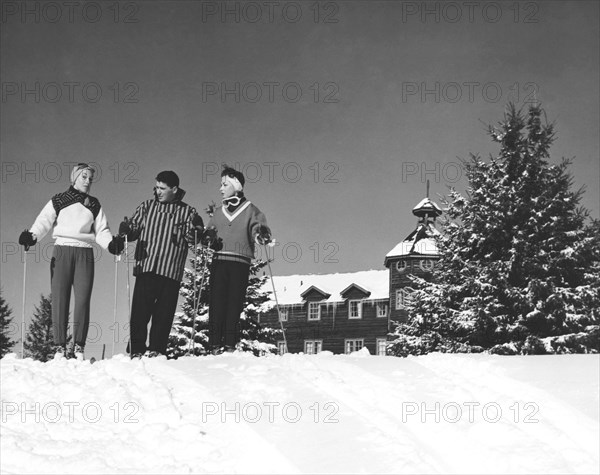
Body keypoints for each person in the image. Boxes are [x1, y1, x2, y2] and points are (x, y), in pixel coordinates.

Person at [19, 163, 123, 359]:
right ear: (74, 178)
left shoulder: (94, 204)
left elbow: (102, 230)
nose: (87, 181)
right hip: (62, 250)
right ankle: (59, 346)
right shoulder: (59, 200)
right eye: (84, 176)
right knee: (60, 298)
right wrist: (32, 236)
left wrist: (111, 244)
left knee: (83, 299)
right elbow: (44, 221)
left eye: (90, 178)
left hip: (85, 252)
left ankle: (78, 346)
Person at [120, 171, 202, 358]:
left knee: (163, 315)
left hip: (170, 269)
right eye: (156, 187)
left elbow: (193, 238)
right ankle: (137, 349)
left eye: (162, 188)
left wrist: (197, 229)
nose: (158, 191)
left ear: (174, 189)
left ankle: (157, 349)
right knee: (140, 313)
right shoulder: (147, 206)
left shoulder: (188, 212)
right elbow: (133, 229)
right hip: (146, 266)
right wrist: (126, 231)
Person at [206, 166, 272, 354]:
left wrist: (261, 234)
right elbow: (210, 231)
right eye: (221, 184)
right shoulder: (219, 212)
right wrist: (207, 237)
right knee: (216, 302)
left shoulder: (251, 210)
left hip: (240, 263)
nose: (221, 188)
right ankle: (214, 344)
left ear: (236, 186)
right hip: (220, 261)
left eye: (225, 184)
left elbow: (257, 229)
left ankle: (229, 343)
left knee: (234, 303)